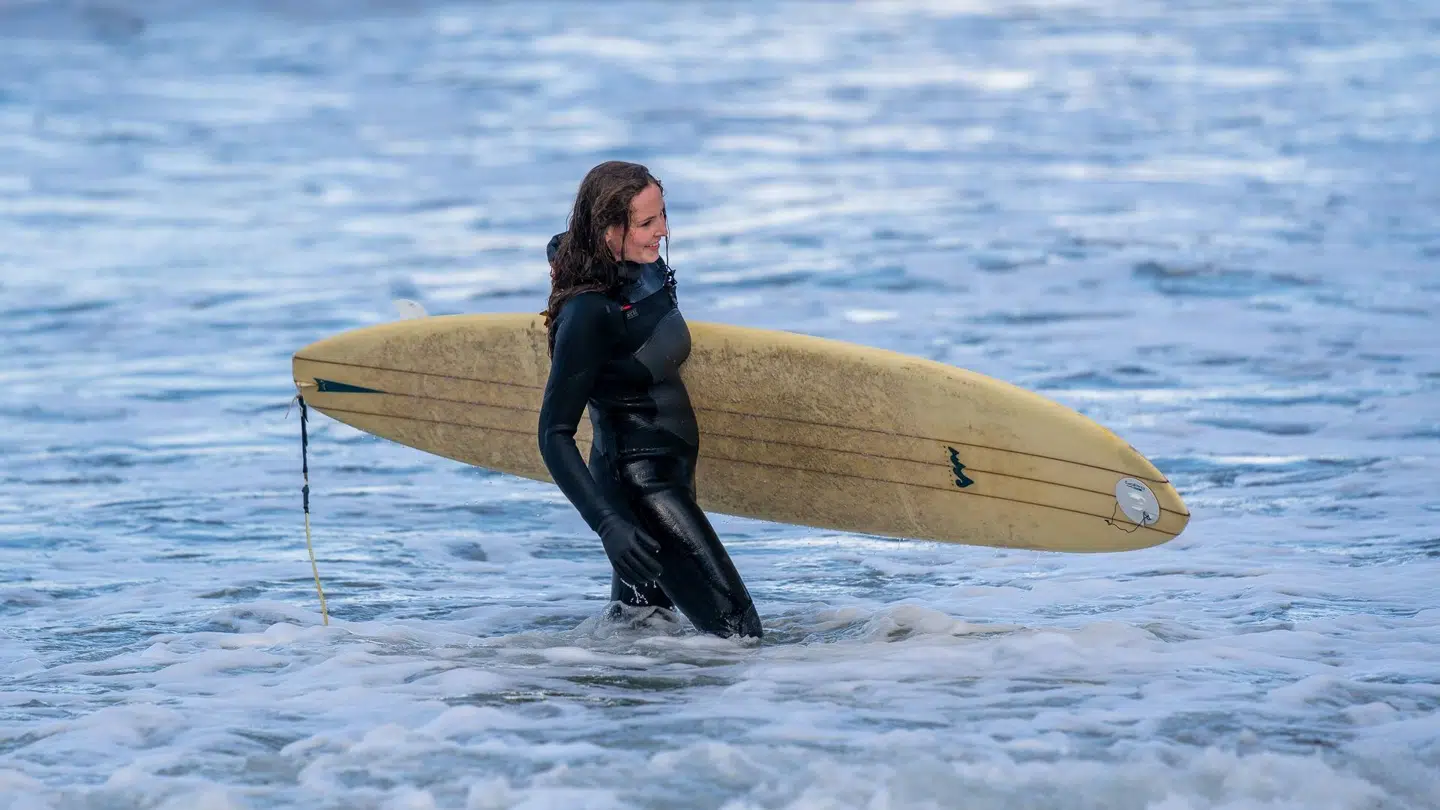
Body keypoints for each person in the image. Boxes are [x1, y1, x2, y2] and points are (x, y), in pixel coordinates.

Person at [537, 161, 762, 639]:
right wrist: (606, 524)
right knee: (739, 638)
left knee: (644, 634)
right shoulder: (588, 313)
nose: (661, 231)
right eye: (646, 223)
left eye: (662, 215)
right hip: (640, 490)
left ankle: (614, 706)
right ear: (607, 231)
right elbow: (553, 434)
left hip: (673, 476)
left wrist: (558, 253)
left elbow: (563, 241)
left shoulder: (643, 267)